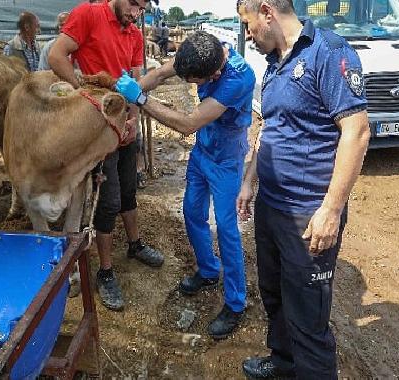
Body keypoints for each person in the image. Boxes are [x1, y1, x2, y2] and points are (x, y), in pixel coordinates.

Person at [236, 0, 370, 378]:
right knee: (274, 293)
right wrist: (250, 180)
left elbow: (357, 132)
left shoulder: (327, 52)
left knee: (307, 316)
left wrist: (330, 209)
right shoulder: (274, 63)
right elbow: (270, 128)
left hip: (307, 215)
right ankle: (283, 363)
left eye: (248, 24)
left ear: (267, 11)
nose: (247, 34)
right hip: (271, 207)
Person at [114, 30, 256, 339]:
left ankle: (235, 303)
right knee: (192, 213)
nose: (213, 76)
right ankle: (208, 270)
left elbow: (188, 123)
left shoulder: (238, 78)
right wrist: (130, 89)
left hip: (227, 161)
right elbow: (160, 75)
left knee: (228, 230)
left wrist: (139, 99)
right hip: (204, 151)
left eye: (207, 77)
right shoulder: (195, 54)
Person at [48, 0, 164, 312]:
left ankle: (135, 244)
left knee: (129, 189)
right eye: (133, 5)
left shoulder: (135, 33)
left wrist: (134, 118)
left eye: (142, 9)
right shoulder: (87, 14)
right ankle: (105, 270)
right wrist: (82, 95)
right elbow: (56, 55)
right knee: (108, 199)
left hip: (124, 121)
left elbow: (136, 81)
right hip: (99, 126)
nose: (135, 13)